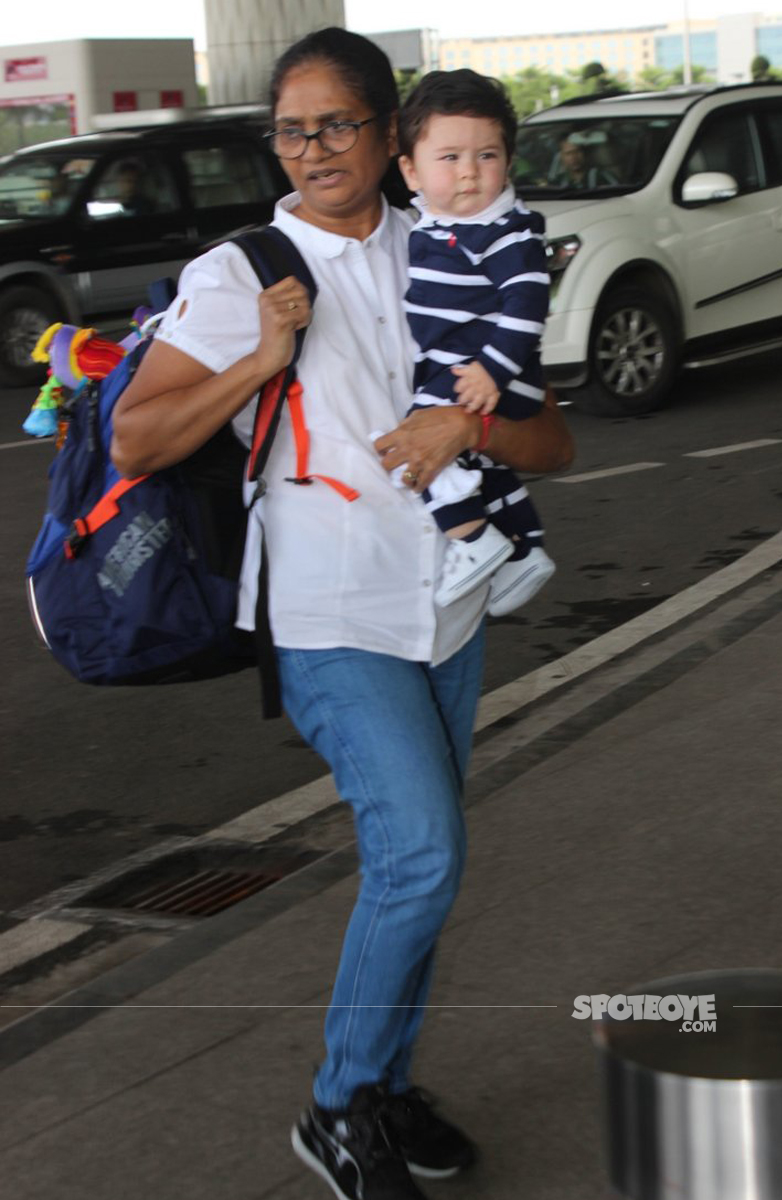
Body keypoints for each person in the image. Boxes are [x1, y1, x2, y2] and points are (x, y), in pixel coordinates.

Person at [111, 27, 574, 1200]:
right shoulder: (241, 271)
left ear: (389, 135)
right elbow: (138, 437)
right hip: (326, 611)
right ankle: (335, 1103)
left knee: (417, 862)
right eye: (290, 129)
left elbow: (550, 438)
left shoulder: (451, 235)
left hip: (447, 605)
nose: (312, 149)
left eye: (336, 125)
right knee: (420, 851)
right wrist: (259, 358)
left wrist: (465, 427)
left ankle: (381, 1087)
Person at [395, 69, 555, 616]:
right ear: (410, 170)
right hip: (470, 373)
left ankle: (473, 541)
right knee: (486, 471)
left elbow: (529, 302)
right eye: (450, 157)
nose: (469, 173)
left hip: (479, 377)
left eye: (486, 156)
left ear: (507, 163)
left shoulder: (503, 230)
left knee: (410, 450)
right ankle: (524, 552)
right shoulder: (434, 226)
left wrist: (492, 370)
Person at [548, 132, 618, 189]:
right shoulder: (557, 183)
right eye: (568, 153)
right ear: (561, 156)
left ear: (584, 153)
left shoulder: (602, 177)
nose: (573, 157)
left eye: (577, 151)